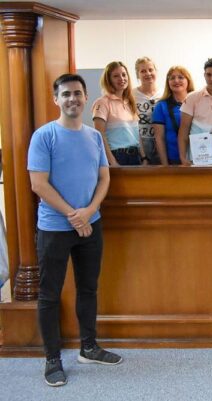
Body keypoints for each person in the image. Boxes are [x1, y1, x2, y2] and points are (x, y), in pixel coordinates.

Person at [28, 73, 122, 387]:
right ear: (56, 99)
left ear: (85, 97)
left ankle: (89, 348)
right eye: (66, 94)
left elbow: (104, 177)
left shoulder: (94, 136)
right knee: (49, 295)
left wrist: (89, 211)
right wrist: (74, 215)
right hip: (55, 227)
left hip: (90, 224)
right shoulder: (44, 136)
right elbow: (38, 184)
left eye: (77, 93)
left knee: (88, 288)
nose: (72, 99)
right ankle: (52, 359)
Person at [92, 61, 147, 166]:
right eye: (116, 76)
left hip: (135, 156)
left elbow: (136, 133)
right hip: (117, 156)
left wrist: (144, 157)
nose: (121, 78)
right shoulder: (102, 102)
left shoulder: (130, 102)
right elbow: (100, 135)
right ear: (109, 80)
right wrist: (113, 162)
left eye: (124, 75)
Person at [152, 66, 195, 165]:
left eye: (180, 77)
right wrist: (165, 165)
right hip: (173, 159)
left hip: (198, 156)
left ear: (188, 80)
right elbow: (159, 138)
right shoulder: (161, 106)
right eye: (172, 78)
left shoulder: (198, 102)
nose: (176, 81)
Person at [132, 57, 160, 164]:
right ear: (137, 75)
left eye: (150, 70)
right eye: (143, 71)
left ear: (156, 71)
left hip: (161, 142)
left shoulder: (164, 93)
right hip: (141, 143)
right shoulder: (131, 94)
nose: (148, 73)